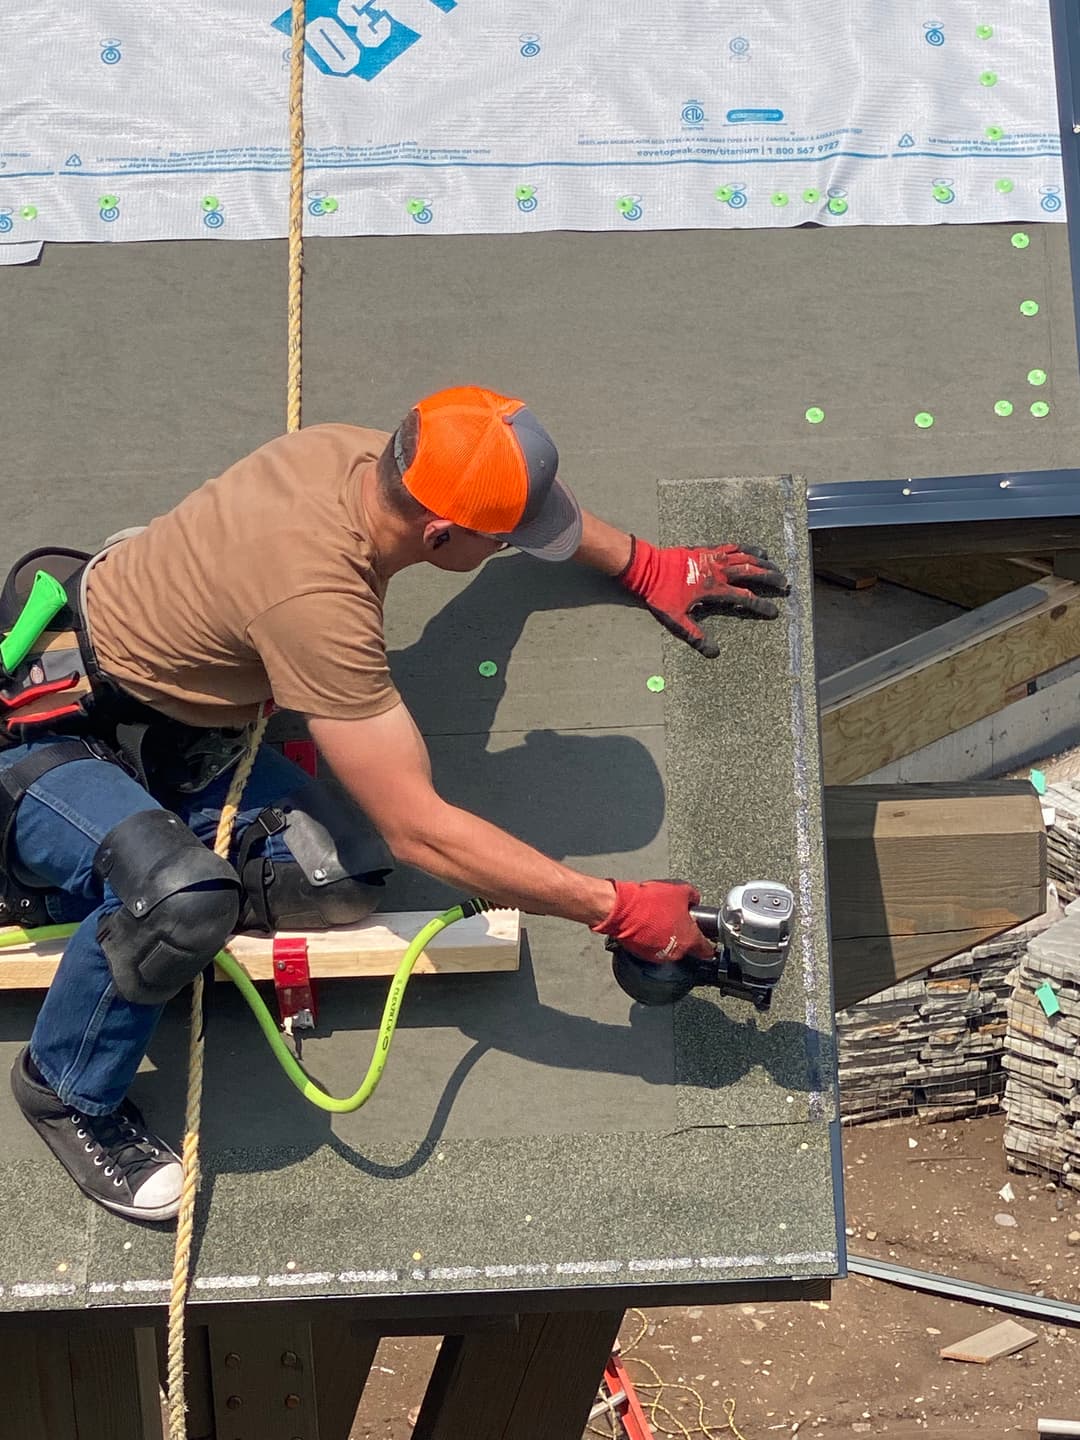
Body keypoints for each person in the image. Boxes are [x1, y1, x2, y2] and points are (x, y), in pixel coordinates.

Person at [1, 385, 787, 1222]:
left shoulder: (372, 457)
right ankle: (68, 1088)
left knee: (338, 880)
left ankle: (131, 846)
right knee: (186, 904)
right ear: (442, 535)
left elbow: (512, 506)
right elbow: (420, 830)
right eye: (498, 542)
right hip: (51, 734)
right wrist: (613, 907)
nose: (507, 550)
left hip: (171, 721)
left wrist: (644, 562)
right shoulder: (317, 603)